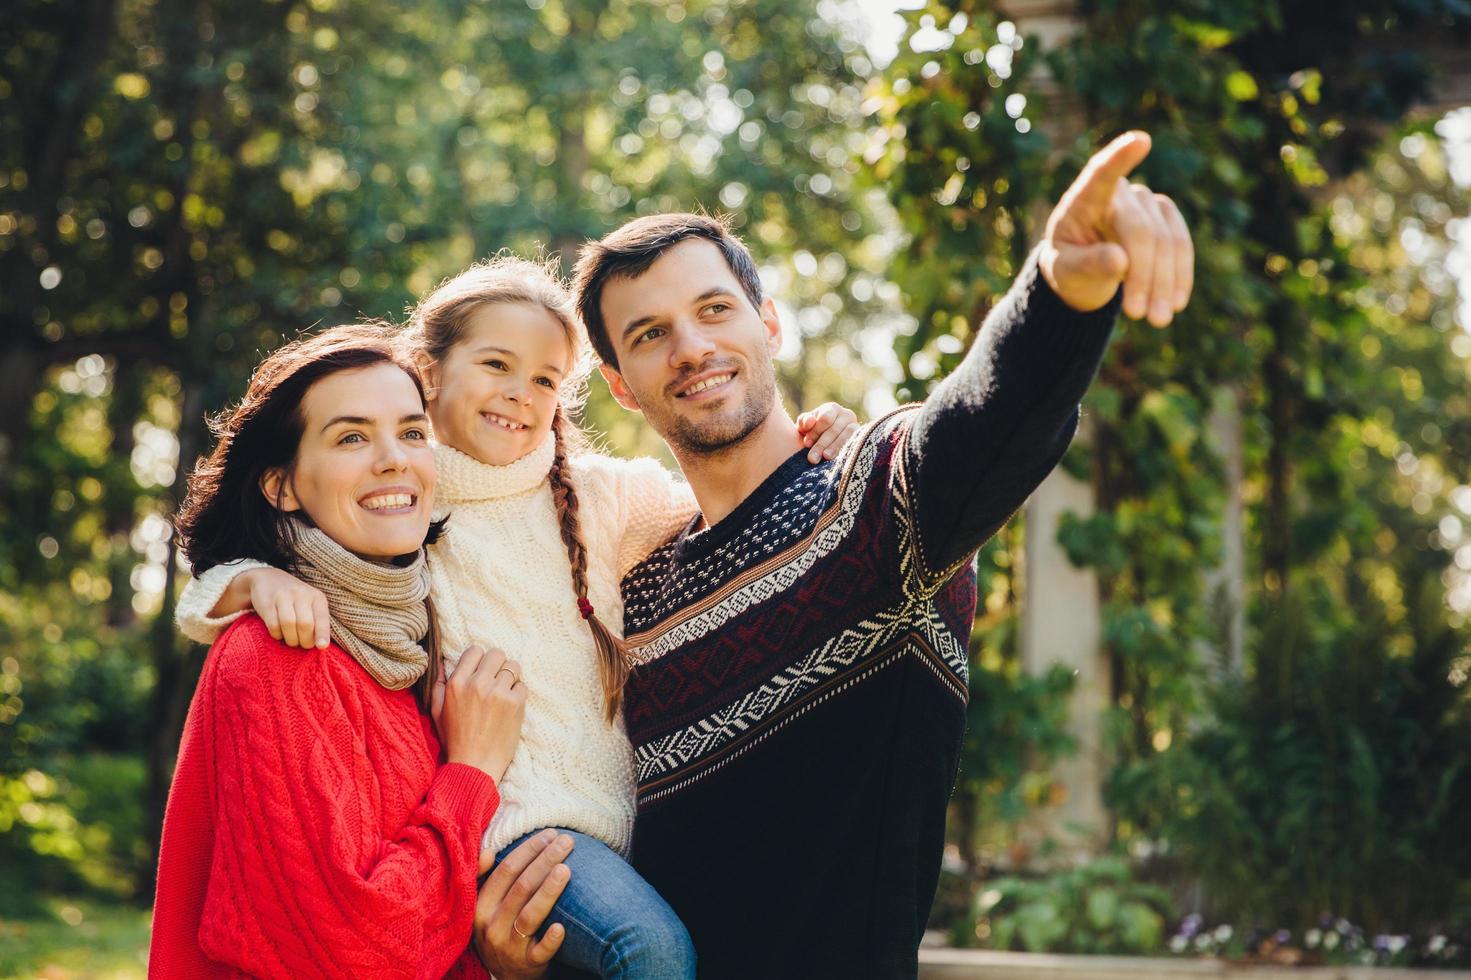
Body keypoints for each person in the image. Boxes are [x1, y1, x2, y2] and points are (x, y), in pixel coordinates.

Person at [477, 130, 1195, 980]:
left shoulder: (874, 502)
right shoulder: (623, 581)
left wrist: (1061, 287)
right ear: (623, 386)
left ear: (768, 324)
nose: (692, 348)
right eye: (649, 334)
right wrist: (520, 954)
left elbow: (984, 423)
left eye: (714, 310)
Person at [174, 259, 861, 979]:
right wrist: (249, 581)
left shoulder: (599, 495)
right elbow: (266, 553)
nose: (520, 393)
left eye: (544, 379)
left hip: (624, 821)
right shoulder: (402, 502)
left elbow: (733, 493)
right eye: (497, 363)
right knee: (651, 954)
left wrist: (818, 438)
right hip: (512, 831)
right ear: (428, 373)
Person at [149, 324, 538, 978]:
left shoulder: (406, 647)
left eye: (413, 432)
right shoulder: (276, 655)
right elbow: (355, 953)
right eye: (352, 437)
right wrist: (471, 770)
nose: (394, 459)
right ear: (283, 486)